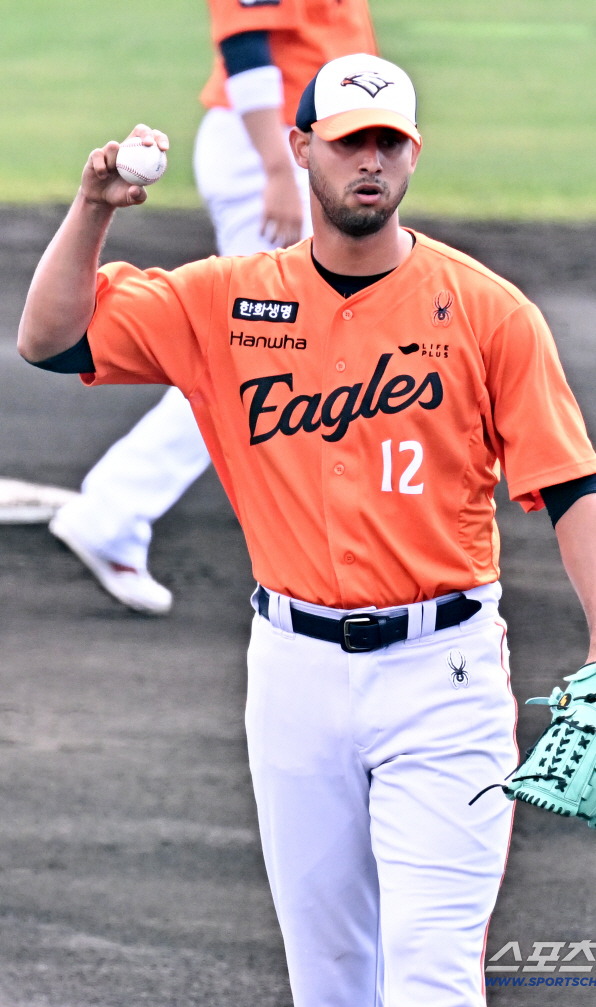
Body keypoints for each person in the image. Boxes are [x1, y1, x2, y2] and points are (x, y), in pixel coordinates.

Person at [18, 54, 596, 1007]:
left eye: (389, 142)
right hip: (292, 675)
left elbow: (575, 485)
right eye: (350, 142)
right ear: (302, 148)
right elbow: (51, 340)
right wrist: (93, 205)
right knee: (331, 982)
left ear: (414, 156)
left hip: (447, 680)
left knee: (431, 976)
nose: (370, 161)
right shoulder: (223, 300)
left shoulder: (487, 310)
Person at [44, 0, 376, 615]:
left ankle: (116, 508)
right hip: (270, 146)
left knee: (273, 353)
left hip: (299, 145)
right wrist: (278, 167)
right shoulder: (275, 156)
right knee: (261, 354)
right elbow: (246, 45)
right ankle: (114, 509)